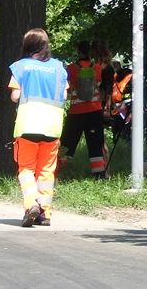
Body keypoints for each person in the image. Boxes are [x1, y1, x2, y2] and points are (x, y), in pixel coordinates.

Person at [7, 28, 67, 227]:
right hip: (53, 126)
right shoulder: (59, 68)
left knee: (26, 168)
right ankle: (45, 213)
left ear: (28, 45)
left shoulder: (21, 66)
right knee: (46, 171)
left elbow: (15, 96)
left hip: (28, 125)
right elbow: (64, 95)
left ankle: (31, 203)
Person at [59, 40, 107, 178]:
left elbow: (68, 89)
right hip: (95, 111)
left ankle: (56, 171)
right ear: (90, 52)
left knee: (67, 144)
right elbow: (99, 86)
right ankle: (99, 175)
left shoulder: (71, 68)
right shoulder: (97, 68)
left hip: (76, 112)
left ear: (78, 52)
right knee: (95, 144)